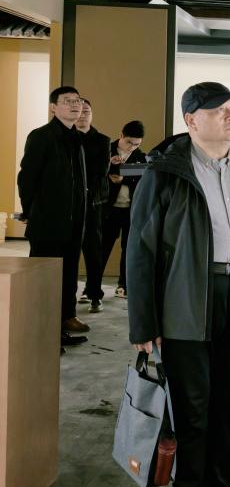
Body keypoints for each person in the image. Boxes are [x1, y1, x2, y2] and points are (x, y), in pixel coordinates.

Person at [127, 82, 230, 486]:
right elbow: (141, 250)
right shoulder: (166, 172)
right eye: (218, 109)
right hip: (185, 300)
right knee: (192, 410)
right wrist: (143, 324)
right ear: (191, 120)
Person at [18, 86, 90, 349]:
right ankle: (43, 336)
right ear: (53, 108)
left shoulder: (77, 138)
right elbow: (26, 178)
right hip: (48, 222)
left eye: (77, 100)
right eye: (67, 101)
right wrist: (30, 212)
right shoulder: (41, 136)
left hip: (74, 222)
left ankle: (62, 324)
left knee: (68, 275)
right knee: (45, 281)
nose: (75, 105)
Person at [100, 120, 146, 300]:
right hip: (109, 209)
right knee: (102, 248)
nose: (132, 147)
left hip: (130, 210)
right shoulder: (106, 150)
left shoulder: (141, 157)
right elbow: (95, 173)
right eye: (129, 142)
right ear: (121, 135)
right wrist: (109, 164)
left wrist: (123, 178)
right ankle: (92, 287)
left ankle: (123, 285)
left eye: (136, 144)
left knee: (129, 249)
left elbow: (144, 179)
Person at [75, 99, 111, 313]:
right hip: (70, 203)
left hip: (93, 203)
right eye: (79, 111)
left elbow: (101, 171)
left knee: (93, 250)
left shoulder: (102, 140)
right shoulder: (67, 138)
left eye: (86, 111)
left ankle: (94, 293)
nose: (82, 115)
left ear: (92, 114)